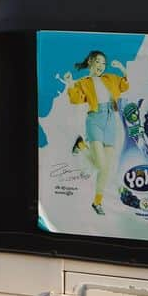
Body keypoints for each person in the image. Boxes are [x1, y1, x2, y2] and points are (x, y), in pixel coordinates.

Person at [62, 51, 127, 216]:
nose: (101, 66)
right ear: (91, 62)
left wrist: (121, 68)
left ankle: (97, 202)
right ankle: (82, 146)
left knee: (106, 168)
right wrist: (70, 83)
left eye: (103, 63)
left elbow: (126, 84)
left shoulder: (111, 78)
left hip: (111, 121)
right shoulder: (83, 82)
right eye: (98, 62)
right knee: (100, 165)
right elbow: (75, 99)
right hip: (94, 120)